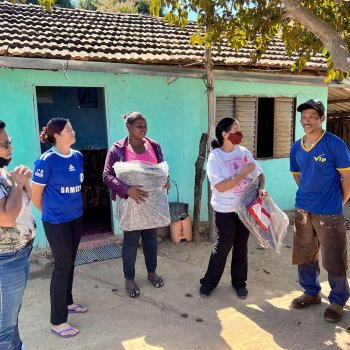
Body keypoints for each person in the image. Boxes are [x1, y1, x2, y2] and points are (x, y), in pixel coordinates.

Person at [290, 99, 350, 322]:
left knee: (334, 257)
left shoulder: (335, 144)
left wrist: (338, 202)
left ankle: (338, 300)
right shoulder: (296, 147)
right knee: (305, 256)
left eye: (312, 117)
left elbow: (347, 179)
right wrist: (309, 198)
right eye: (303, 117)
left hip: (330, 212)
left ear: (322, 119)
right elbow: (299, 176)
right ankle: (311, 292)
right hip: (303, 210)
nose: (307, 121)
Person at [31, 118, 87, 339]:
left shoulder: (78, 157)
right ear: (56, 135)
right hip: (56, 222)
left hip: (76, 218)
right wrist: (51, 213)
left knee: (70, 262)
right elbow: (37, 196)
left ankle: (68, 301)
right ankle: (58, 321)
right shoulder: (46, 161)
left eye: (72, 128)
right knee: (62, 267)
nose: (73, 132)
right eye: (68, 130)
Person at [103, 112, 169, 298]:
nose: (143, 128)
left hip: (151, 201)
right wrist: (126, 189)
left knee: (151, 240)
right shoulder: (117, 149)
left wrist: (166, 180)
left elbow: (162, 168)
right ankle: (129, 278)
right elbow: (107, 176)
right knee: (131, 241)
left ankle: (151, 273)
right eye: (139, 125)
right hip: (131, 201)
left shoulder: (154, 146)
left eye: (145, 125)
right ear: (128, 127)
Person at [200, 117, 267, 299]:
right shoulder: (216, 156)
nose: (240, 134)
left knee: (241, 245)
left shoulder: (243, 151)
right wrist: (243, 173)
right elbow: (220, 186)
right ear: (224, 134)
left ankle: (239, 283)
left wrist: (261, 188)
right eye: (236, 131)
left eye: (240, 130)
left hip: (244, 208)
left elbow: (259, 174)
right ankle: (209, 282)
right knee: (223, 245)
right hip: (225, 209)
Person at [0, 120, 35, 349]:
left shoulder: (3, 171)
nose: (10, 147)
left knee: (11, 322)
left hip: (18, 255)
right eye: (5, 144)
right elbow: (5, 219)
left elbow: (28, 199)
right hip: (5, 261)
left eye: (9, 142)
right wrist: (16, 185)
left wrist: (23, 182)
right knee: (4, 330)